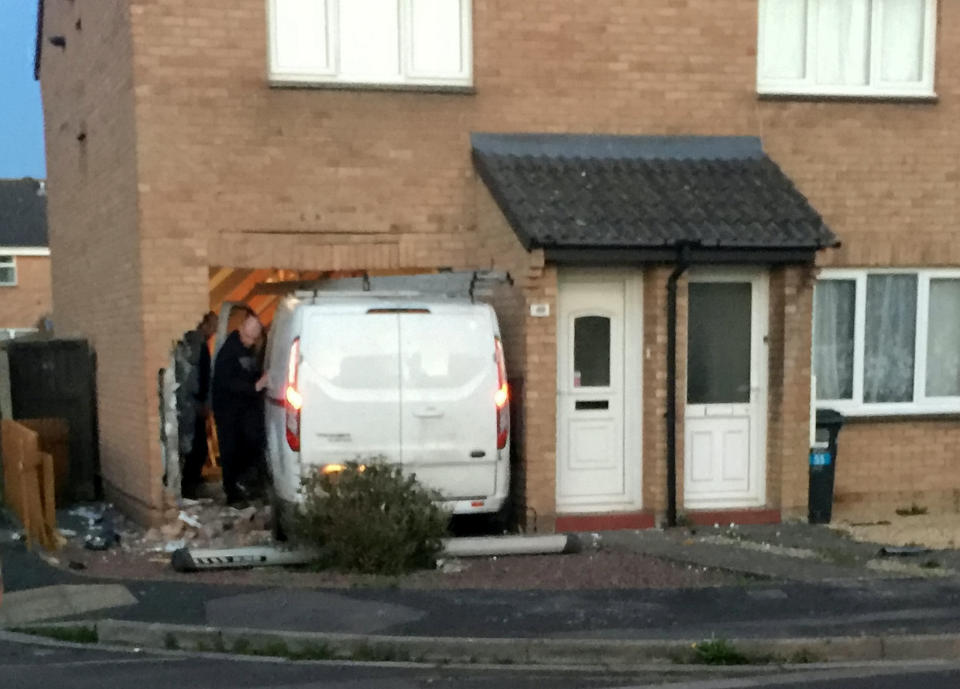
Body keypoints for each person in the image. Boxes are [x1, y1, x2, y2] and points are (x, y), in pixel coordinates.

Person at [212, 312, 269, 505]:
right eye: (248, 337)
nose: (250, 342)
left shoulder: (246, 350)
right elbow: (227, 382)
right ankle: (233, 494)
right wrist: (255, 387)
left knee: (248, 445)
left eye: (254, 339)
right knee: (230, 450)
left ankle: (243, 488)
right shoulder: (230, 351)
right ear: (242, 329)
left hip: (243, 410)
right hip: (229, 411)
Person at [181, 311, 218, 499]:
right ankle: (189, 484)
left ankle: (192, 481)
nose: (215, 331)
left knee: (198, 445)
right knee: (194, 446)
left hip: (196, 403)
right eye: (212, 326)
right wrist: (200, 402)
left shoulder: (200, 346)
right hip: (192, 404)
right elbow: (198, 378)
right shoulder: (196, 346)